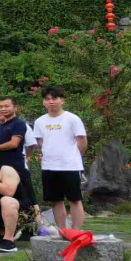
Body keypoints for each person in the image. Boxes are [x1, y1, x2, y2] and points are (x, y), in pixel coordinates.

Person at [34, 86, 88, 231]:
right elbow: (41, 142)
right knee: (55, 200)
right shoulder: (39, 121)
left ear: (62, 100)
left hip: (70, 166)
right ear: (43, 102)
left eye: (54, 98)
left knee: (74, 199)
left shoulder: (72, 119)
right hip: (49, 166)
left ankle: (76, 231)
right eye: (47, 99)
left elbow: (82, 142)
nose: (51, 102)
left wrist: (74, 156)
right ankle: (62, 230)